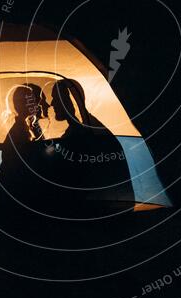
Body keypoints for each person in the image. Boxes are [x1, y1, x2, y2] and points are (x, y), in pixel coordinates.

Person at [47, 79, 134, 213]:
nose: (52, 104)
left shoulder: (89, 131)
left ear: (69, 101)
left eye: (56, 98)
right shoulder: (83, 128)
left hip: (103, 207)